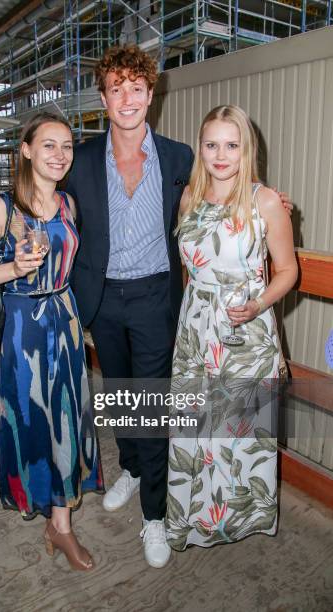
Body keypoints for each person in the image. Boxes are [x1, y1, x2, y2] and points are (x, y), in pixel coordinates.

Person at [66, 45, 293, 568]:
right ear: (103, 98)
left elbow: (231, 190)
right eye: (116, 88)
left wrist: (271, 203)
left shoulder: (175, 158)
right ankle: (132, 468)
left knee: (152, 404)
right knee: (119, 393)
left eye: (137, 88)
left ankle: (154, 518)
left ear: (151, 95)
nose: (127, 98)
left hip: (157, 299)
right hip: (102, 299)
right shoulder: (79, 160)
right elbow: (48, 201)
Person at [0, 112, 103, 571]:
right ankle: (51, 517)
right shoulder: (3, 207)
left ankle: (60, 524)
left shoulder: (68, 205)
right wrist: (13, 270)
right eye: (48, 145)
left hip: (64, 318)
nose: (60, 155)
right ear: (25, 149)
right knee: (34, 420)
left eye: (66, 146)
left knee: (67, 418)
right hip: (23, 328)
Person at [165, 105, 298, 550]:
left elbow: (288, 271)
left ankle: (234, 522)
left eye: (231, 145)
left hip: (246, 333)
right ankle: (192, 523)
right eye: (211, 145)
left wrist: (259, 302)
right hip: (195, 331)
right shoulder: (188, 199)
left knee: (238, 440)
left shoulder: (264, 201)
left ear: (246, 149)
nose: (221, 155)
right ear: (200, 149)